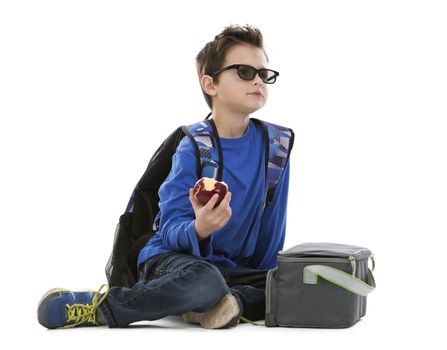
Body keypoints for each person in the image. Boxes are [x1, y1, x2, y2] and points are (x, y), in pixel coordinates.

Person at [37, 24, 291, 330]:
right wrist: (200, 228)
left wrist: (270, 282)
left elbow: (271, 228)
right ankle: (103, 308)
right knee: (205, 281)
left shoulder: (276, 146)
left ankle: (227, 302)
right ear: (210, 84)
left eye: (264, 74)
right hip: (172, 261)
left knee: (295, 279)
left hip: (234, 272)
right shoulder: (195, 146)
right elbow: (169, 229)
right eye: (245, 72)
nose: (258, 81)